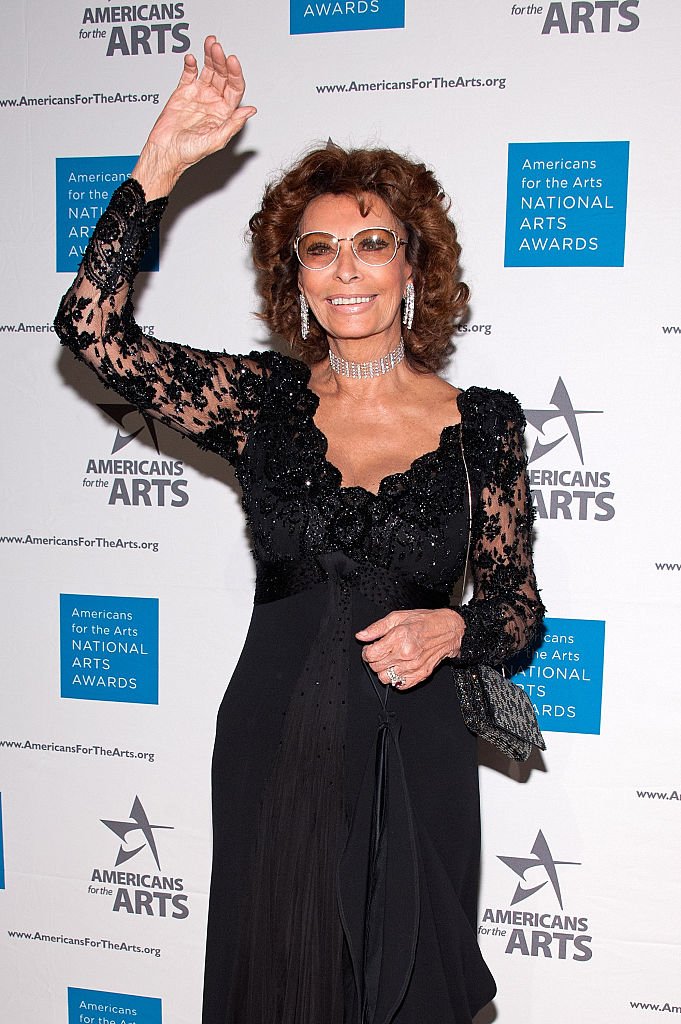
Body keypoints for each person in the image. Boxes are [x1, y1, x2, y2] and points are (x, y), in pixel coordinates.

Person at [54, 36, 544, 1024]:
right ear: (299, 277)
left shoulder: (483, 422)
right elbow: (91, 331)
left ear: (413, 264)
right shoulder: (258, 402)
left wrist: (455, 628)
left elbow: (517, 609)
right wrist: (160, 162)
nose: (345, 269)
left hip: (415, 751)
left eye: (371, 242)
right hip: (275, 743)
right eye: (319, 248)